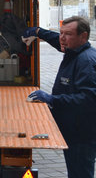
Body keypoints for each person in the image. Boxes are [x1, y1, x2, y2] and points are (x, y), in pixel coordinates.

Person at [24, 17, 96, 178]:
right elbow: (58, 41)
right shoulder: (74, 51)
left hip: (82, 134)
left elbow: (88, 99)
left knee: (81, 173)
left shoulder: (86, 61)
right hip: (74, 130)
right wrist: (38, 32)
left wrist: (52, 99)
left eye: (68, 34)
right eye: (61, 33)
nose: (62, 38)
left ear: (83, 37)